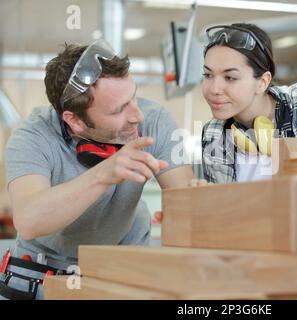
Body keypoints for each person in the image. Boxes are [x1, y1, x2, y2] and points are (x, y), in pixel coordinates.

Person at [1, 39, 193, 299]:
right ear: (75, 120)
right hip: (44, 276)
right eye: (119, 110)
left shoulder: (153, 118)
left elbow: (186, 199)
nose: (138, 116)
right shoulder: (32, 136)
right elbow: (29, 220)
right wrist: (104, 174)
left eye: (134, 96)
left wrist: (193, 205)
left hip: (121, 267)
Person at [201, 23, 297, 183]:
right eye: (208, 75)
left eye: (230, 77)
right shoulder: (213, 131)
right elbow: (221, 204)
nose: (214, 89)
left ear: (262, 82)